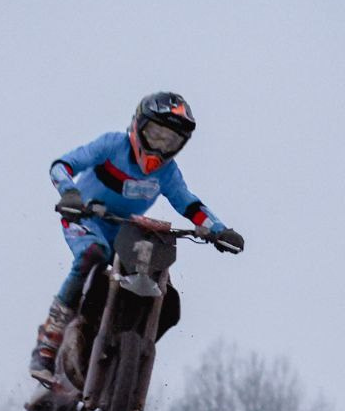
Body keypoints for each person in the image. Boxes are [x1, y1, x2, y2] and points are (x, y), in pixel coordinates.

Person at [29, 91, 244, 383]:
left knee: (160, 285)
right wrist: (70, 192)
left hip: (124, 230)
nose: (159, 147)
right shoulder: (111, 145)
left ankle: (123, 348)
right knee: (93, 254)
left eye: (170, 141)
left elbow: (189, 204)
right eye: (155, 134)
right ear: (137, 126)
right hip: (86, 217)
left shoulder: (168, 173)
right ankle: (49, 339)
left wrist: (218, 230)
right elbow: (62, 165)